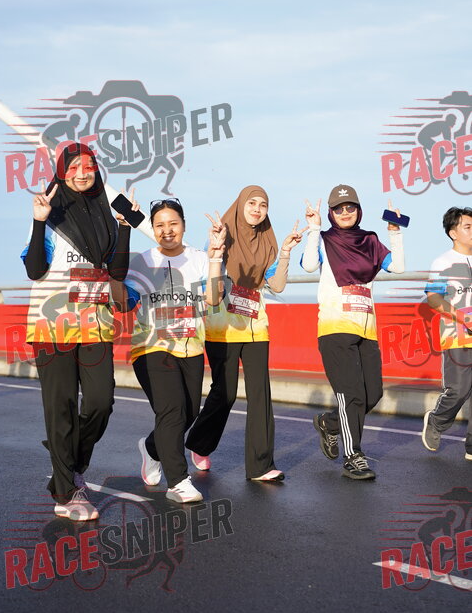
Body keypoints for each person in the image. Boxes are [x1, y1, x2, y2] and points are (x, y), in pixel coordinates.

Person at [21, 143, 133, 520]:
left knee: (101, 401)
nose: (82, 173)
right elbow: (35, 270)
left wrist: (124, 227)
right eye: (74, 167)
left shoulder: (106, 213)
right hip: (51, 326)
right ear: (61, 171)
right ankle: (67, 494)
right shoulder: (51, 211)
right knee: (62, 407)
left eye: (89, 166)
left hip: (96, 324)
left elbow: (117, 273)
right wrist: (39, 221)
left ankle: (70, 462)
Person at [185, 185, 306, 482]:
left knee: (260, 395)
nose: (257, 209)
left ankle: (261, 466)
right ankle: (200, 443)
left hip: (256, 327)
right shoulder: (221, 236)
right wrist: (216, 249)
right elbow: (209, 283)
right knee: (224, 394)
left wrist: (286, 252)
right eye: (251, 203)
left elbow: (277, 286)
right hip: (223, 327)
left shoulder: (268, 242)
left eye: (263, 205)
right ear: (240, 205)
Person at [124, 198, 226, 503]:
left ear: (183, 225)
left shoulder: (199, 259)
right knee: (171, 410)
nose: (167, 230)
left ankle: (151, 448)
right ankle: (179, 482)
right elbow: (125, 301)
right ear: (153, 229)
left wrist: (216, 257)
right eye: (160, 225)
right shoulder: (141, 262)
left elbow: (214, 299)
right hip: (151, 345)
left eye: (173, 223)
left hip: (191, 347)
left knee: (188, 413)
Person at [302, 185, 405, 480]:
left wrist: (395, 232)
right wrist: (314, 229)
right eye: (339, 208)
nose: (345, 213)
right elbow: (308, 265)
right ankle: (353, 456)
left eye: (350, 207)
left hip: (367, 329)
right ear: (330, 213)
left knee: (372, 394)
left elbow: (398, 267)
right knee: (350, 395)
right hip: (334, 327)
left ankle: (329, 423)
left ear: (359, 211)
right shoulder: (325, 239)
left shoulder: (370, 240)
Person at [422, 207, 472, 461]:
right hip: (457, 333)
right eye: (468, 227)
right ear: (453, 233)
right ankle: (437, 421)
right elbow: (433, 298)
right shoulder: (442, 262)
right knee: (459, 389)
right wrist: (463, 317)